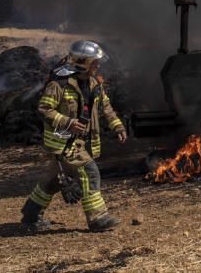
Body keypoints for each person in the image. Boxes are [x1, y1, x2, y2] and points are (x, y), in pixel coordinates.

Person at [20, 40, 127, 232]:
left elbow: (106, 107)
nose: (98, 66)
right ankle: (98, 218)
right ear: (83, 63)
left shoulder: (94, 84)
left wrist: (118, 127)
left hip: (79, 142)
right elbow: (44, 109)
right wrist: (68, 122)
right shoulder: (59, 84)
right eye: (95, 62)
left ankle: (31, 214)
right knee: (90, 172)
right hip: (64, 142)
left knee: (52, 181)